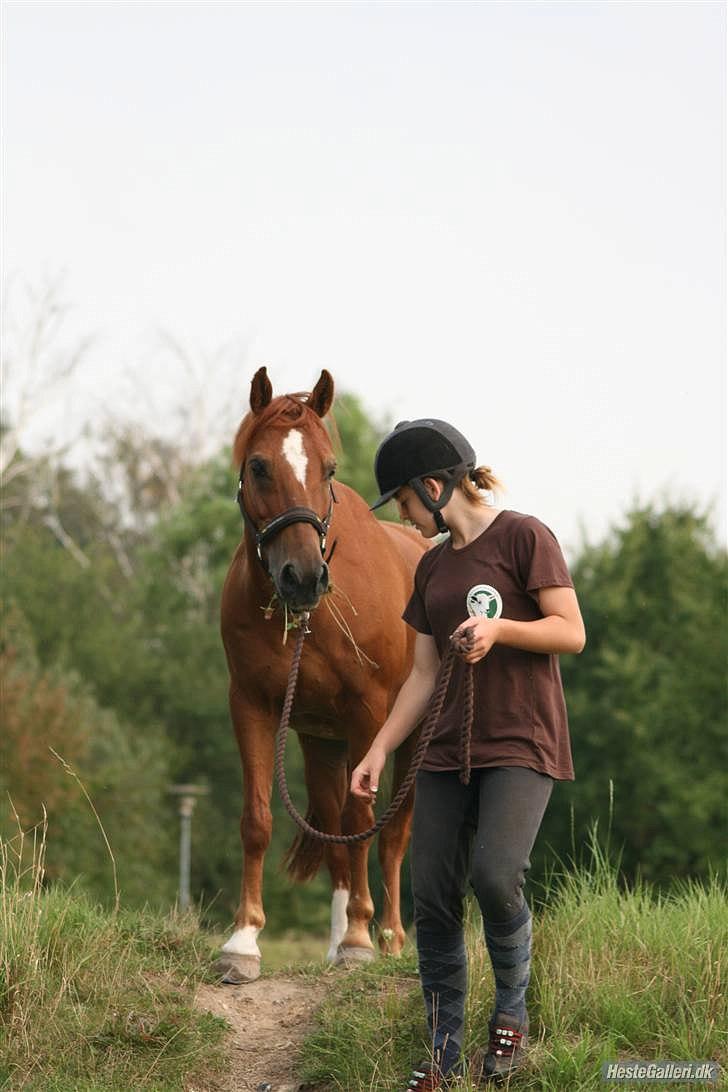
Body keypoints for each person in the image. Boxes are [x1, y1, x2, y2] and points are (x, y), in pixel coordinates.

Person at [350, 419, 585, 1090]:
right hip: (445, 750)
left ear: (433, 485)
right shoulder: (431, 565)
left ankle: (511, 1014)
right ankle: (443, 1054)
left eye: (401, 500)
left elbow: (571, 632)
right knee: (432, 893)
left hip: (521, 741)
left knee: (494, 874)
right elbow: (422, 675)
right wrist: (378, 749)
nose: (402, 514)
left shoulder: (525, 536)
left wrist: (500, 628)